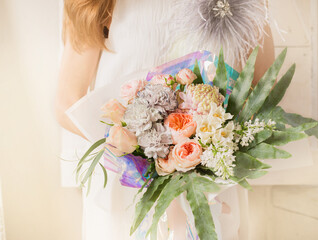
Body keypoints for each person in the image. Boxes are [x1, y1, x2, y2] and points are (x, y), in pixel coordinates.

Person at [55, 0, 275, 239]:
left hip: (209, 181)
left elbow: (263, 86)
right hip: (125, 183)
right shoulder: (97, 3)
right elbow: (67, 101)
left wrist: (206, 144)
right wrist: (136, 146)